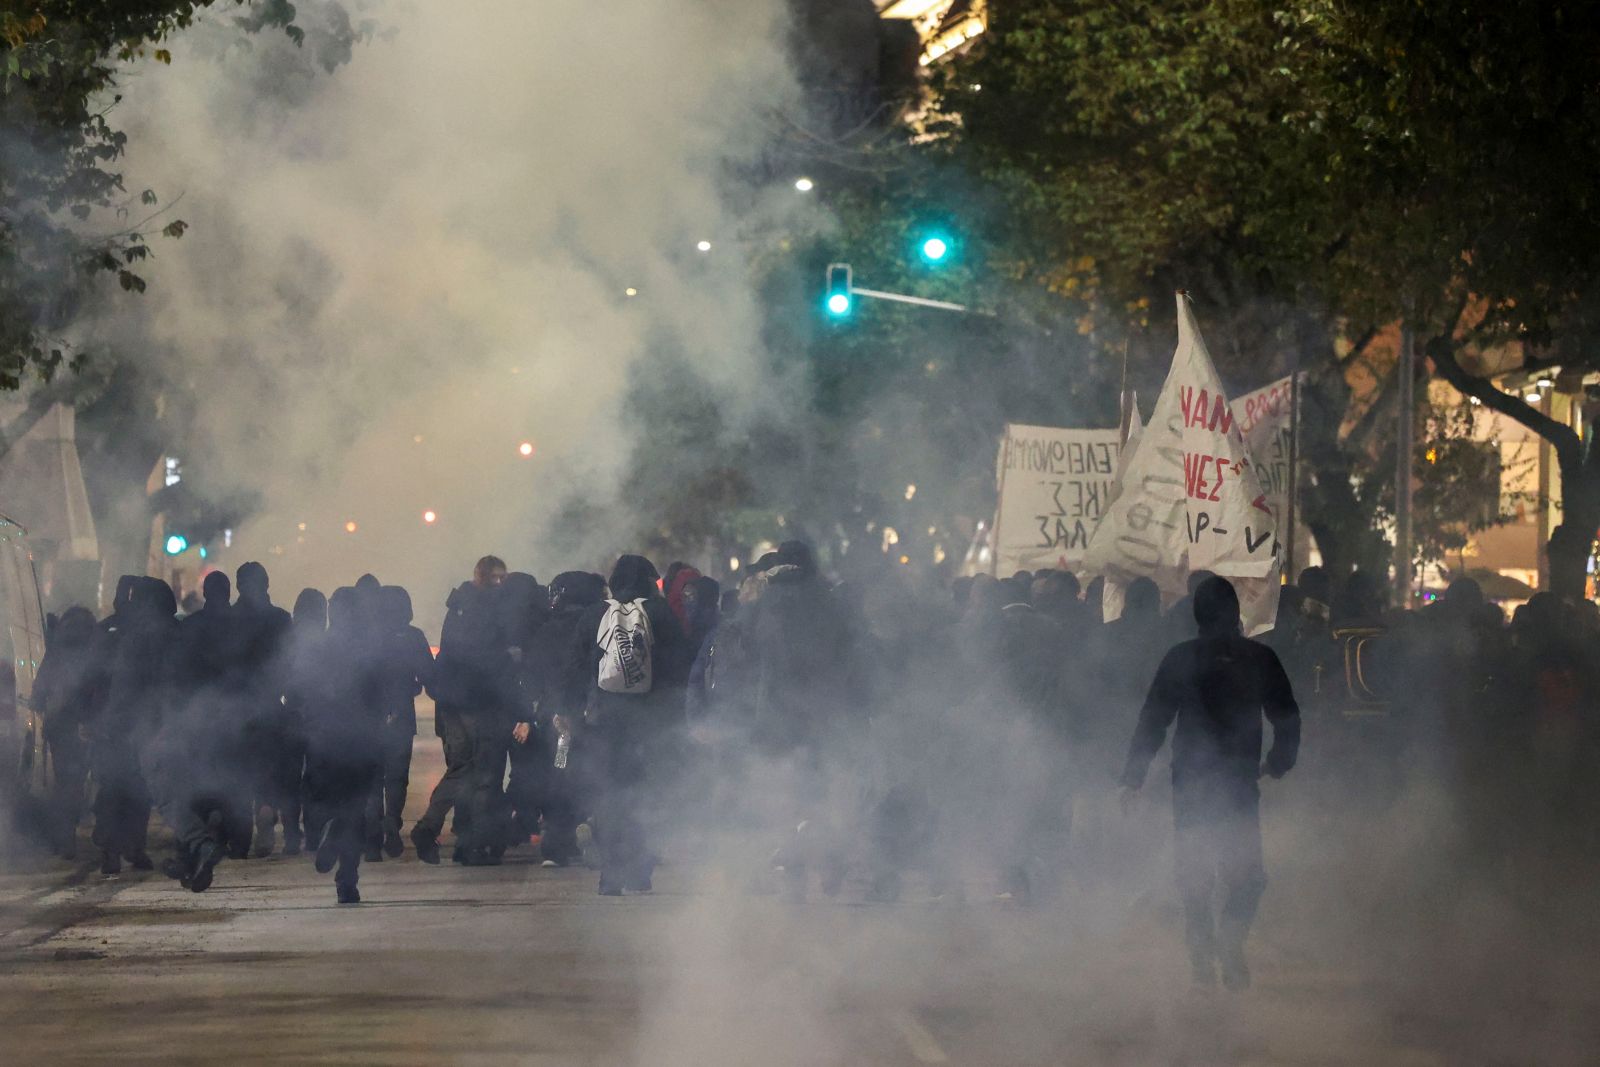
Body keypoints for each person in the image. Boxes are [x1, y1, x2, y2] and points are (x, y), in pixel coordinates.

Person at [1119, 576, 1301, 991]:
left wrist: (1132, 777)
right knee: (1249, 876)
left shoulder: (1180, 657)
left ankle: (1202, 950)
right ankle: (1230, 940)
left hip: (1190, 780)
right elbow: (1287, 718)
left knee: (1195, 869)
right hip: (1239, 781)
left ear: (1196, 615)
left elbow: (1153, 721)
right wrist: (1278, 763)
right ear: (1236, 613)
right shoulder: (1260, 657)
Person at [576, 554, 690, 895]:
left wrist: (575, 709)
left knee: (610, 794)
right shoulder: (659, 614)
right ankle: (639, 870)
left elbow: (576, 665)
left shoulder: (595, 614)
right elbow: (678, 666)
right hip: (649, 721)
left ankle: (609, 874)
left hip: (605, 721)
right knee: (643, 794)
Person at [412, 555, 512, 865]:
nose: (499, 583)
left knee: (464, 768)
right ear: (482, 577)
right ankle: (465, 841)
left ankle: (438, 830)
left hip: (454, 700)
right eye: (495, 577)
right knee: (478, 772)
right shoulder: (484, 609)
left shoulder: (459, 606)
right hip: (475, 701)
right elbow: (484, 660)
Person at [304, 587, 383, 903]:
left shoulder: (315, 646)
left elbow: (300, 688)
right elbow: (380, 695)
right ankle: (347, 880)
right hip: (360, 740)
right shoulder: (369, 648)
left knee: (327, 801)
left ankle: (331, 829)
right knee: (355, 810)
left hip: (324, 739)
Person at [525, 571, 607, 867]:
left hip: (559, 721)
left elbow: (534, 674)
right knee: (595, 774)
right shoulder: (601, 624)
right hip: (594, 715)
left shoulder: (549, 630)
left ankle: (558, 842)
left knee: (560, 771)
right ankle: (596, 830)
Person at [365, 586, 434, 860]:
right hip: (402, 714)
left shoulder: (366, 636)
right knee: (396, 777)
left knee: (371, 777)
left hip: (369, 715)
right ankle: (392, 820)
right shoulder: (413, 637)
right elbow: (427, 673)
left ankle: (372, 837)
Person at [232, 562, 293, 857]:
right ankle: (266, 812)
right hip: (270, 702)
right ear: (266, 585)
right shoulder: (281, 619)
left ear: (238, 586)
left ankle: (240, 833)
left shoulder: (228, 620)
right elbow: (293, 661)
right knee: (268, 766)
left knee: (239, 768)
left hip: (233, 706)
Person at [34, 607, 103, 859]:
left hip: (60, 725)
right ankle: (68, 833)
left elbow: (40, 687)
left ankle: (64, 836)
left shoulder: (56, 652)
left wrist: (40, 706)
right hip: (84, 725)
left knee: (64, 780)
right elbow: (101, 687)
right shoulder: (95, 651)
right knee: (77, 781)